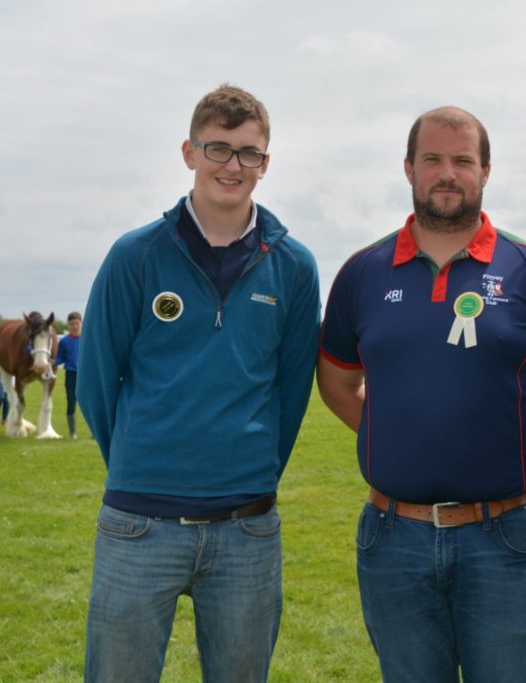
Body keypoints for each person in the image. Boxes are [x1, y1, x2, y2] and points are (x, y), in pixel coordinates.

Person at [317, 106, 526, 682]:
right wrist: (391, 430)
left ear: (485, 171)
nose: (447, 172)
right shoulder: (363, 272)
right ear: (409, 168)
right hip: (393, 538)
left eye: (462, 160)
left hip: (504, 539)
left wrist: (509, 428)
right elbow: (336, 382)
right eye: (433, 159)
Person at [77, 84, 320, 683]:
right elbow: (98, 381)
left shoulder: (295, 266)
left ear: (266, 163)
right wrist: (143, 461)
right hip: (138, 525)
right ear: (188, 152)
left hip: (247, 530)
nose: (232, 166)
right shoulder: (134, 255)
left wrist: (249, 471)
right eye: (218, 148)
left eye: (249, 153)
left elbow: (291, 396)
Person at [54, 311, 82, 439]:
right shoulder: (64, 341)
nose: (75, 326)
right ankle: (73, 433)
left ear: (81, 323)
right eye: (72, 324)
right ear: (68, 325)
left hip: (85, 375)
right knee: (71, 402)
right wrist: (52, 362)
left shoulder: (88, 339)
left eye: (77, 323)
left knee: (89, 403)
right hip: (70, 375)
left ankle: (95, 432)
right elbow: (60, 358)